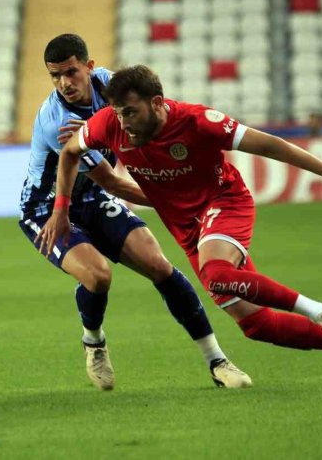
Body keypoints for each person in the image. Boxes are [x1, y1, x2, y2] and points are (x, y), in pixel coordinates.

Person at [41, 65, 322, 385]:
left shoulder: (197, 121)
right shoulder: (110, 125)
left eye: (130, 111)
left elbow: (269, 144)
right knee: (257, 325)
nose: (124, 122)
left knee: (216, 274)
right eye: (117, 112)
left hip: (225, 202)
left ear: (157, 103)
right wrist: (61, 209)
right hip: (188, 229)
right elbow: (70, 152)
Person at [20, 34, 251, 391]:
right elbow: (114, 183)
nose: (65, 83)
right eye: (55, 76)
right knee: (98, 276)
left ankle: (217, 360)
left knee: (160, 266)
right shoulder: (57, 122)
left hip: (92, 197)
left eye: (71, 72)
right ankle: (93, 341)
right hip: (47, 208)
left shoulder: (111, 87)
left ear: (89, 67)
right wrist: (179, 198)